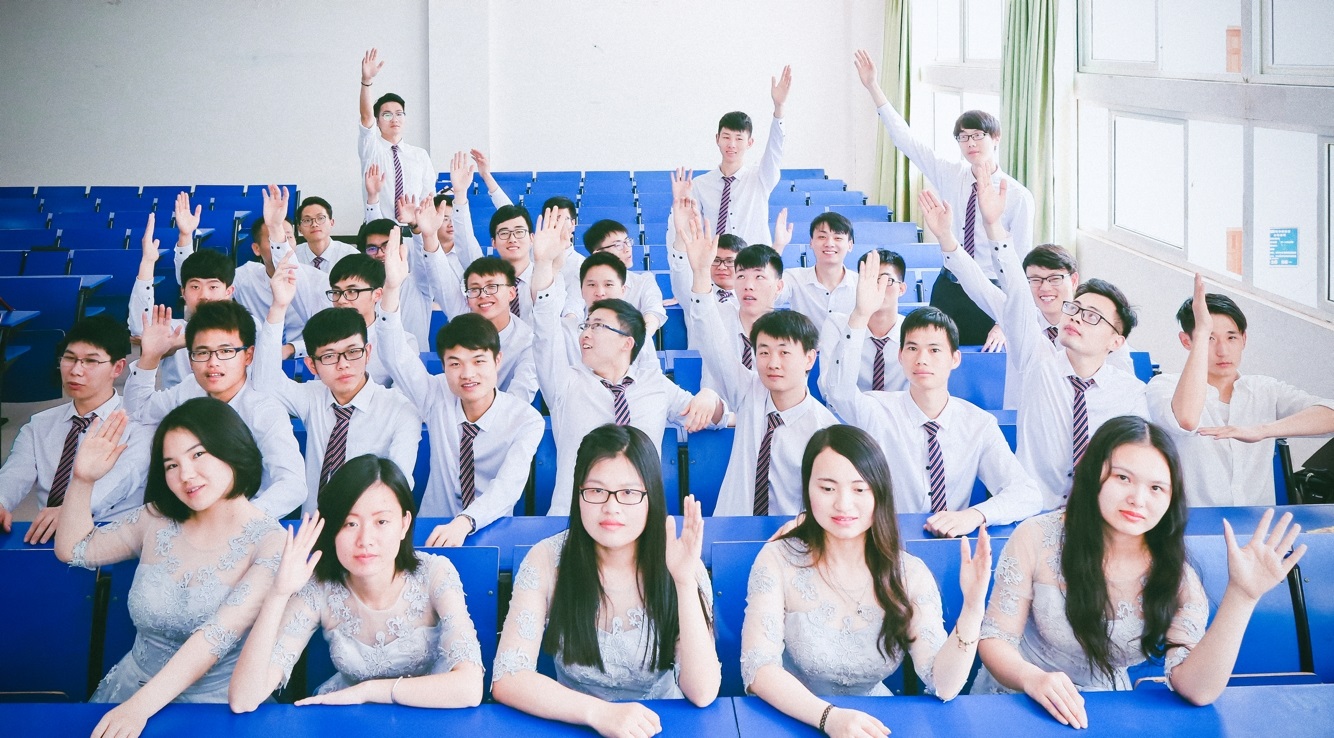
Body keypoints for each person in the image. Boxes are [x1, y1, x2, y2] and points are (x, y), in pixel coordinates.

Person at [975, 416, 1307, 728]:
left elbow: (1197, 690)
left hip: (1104, 711)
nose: (1137, 499)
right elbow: (995, 638)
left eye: (1156, 488)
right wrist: (1031, 678)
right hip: (1017, 698)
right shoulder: (1036, 537)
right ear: (1094, 475)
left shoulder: (1176, 576)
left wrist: (1242, 596)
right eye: (1123, 478)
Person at [54, 399, 286, 738]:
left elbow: (214, 638)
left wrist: (138, 709)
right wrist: (82, 479)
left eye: (198, 455)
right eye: (171, 465)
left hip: (217, 711)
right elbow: (73, 549)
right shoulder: (156, 518)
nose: (185, 475)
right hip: (129, 691)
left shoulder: (271, 543)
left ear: (232, 449)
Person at [742, 426, 991, 738]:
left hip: (874, 723)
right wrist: (829, 718)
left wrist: (972, 609)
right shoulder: (777, 559)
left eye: (860, 490)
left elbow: (943, 684)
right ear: (808, 489)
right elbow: (758, 668)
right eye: (828, 488)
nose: (843, 504)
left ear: (879, 493)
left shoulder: (909, 573)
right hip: (790, 716)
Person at [492, 424, 720, 734]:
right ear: (578, 494)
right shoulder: (546, 559)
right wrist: (599, 714)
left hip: (659, 726)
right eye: (597, 491)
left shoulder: (681, 561)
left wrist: (683, 582)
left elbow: (703, 692)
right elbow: (508, 677)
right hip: (574, 724)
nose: (611, 507)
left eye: (628, 493)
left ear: (651, 496)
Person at [228, 455, 484, 711]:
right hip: (348, 720)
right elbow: (243, 700)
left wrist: (368, 691)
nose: (365, 539)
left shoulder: (435, 573)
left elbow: (470, 688)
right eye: (350, 523)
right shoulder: (319, 587)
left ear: (404, 524)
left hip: (431, 715)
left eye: (381, 522)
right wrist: (278, 594)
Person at [824, 257, 1041, 537]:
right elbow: (838, 391)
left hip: (953, 544)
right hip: (888, 541)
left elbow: (1027, 493)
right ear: (900, 356)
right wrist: (859, 315)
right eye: (912, 348)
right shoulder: (878, 410)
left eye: (935, 350)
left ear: (955, 359)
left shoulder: (977, 424)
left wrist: (974, 515)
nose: (922, 359)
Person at [965, 176, 1147, 508]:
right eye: (1075, 310)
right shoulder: (1037, 363)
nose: (1075, 317)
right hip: (1037, 509)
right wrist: (994, 227)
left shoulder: (1131, 394)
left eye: (1092, 316)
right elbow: (1015, 292)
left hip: (1100, 513)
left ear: (1116, 341)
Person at [528, 208, 721, 515]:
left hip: (641, 519)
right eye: (586, 325)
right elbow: (544, 329)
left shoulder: (654, 384)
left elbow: (716, 417)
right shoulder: (566, 382)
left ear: (627, 342)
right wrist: (543, 263)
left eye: (598, 326)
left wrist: (711, 397)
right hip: (575, 518)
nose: (585, 334)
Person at [855, 48, 1034, 348]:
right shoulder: (952, 174)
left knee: (984, 360)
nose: (970, 143)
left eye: (977, 135)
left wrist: (1005, 321)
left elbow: (1023, 264)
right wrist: (873, 86)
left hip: (991, 292)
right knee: (934, 353)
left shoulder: (1018, 196)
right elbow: (906, 141)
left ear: (996, 138)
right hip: (949, 286)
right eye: (963, 137)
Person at [378, 228, 544, 545]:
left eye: (479, 361)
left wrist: (466, 521)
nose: (467, 374)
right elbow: (395, 356)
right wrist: (392, 288)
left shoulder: (525, 420)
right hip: (432, 528)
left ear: (497, 360)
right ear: (443, 366)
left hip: (492, 528)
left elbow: (508, 485)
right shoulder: (436, 395)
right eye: (455, 363)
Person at [681, 217, 838, 517]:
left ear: (809, 358)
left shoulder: (824, 429)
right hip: (732, 526)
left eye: (784, 353)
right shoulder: (750, 391)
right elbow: (713, 345)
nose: (772, 363)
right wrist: (700, 274)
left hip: (793, 538)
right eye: (763, 352)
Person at [918, 196, 1135, 408]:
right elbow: (978, 284)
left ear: (1074, 280)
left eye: (1054, 279)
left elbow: (1125, 392)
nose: (1045, 288)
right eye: (1035, 280)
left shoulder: (1100, 334)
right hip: (1023, 421)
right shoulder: (1020, 319)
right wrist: (946, 236)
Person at [1148, 275, 1334, 506]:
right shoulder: (1164, 386)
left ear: (1244, 339)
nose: (1223, 350)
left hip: (1259, 522)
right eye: (1210, 338)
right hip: (1191, 522)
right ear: (1187, 341)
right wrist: (1201, 330)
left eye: (1231, 337)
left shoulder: (1265, 389)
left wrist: (1264, 430)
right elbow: (1186, 420)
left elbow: (1330, 414)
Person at [252, 263, 421, 514]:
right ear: (312, 365)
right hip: (314, 526)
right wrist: (278, 307)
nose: (343, 365)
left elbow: (400, 480)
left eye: (353, 352)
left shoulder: (400, 410)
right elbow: (264, 382)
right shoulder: (313, 397)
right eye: (329, 357)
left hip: (369, 523)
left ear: (368, 353)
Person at [127, 301, 307, 518]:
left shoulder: (264, 410)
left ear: (248, 356)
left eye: (226, 351)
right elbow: (139, 411)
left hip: (247, 517)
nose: (213, 362)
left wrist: (240, 520)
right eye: (202, 352)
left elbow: (292, 484)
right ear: (190, 359)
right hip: (189, 513)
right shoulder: (190, 388)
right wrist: (150, 357)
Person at [0, 316, 150, 542]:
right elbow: (15, 474)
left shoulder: (137, 423)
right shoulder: (40, 425)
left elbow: (121, 481)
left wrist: (71, 510)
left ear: (117, 367)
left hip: (112, 538)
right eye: (69, 358)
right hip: (49, 537)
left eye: (91, 361)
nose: (76, 370)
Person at [175, 186, 329, 359]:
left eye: (288, 238)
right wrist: (185, 236)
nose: (281, 245)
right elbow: (196, 276)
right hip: (255, 357)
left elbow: (329, 333)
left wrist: (292, 348)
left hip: (306, 357)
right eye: (273, 239)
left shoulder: (319, 280)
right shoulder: (246, 276)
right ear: (256, 249)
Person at [665, 67, 792, 247]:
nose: (732, 144)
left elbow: (775, 150)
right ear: (717, 139)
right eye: (726, 137)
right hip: (716, 261)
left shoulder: (760, 178)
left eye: (739, 138)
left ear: (750, 143)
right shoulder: (700, 185)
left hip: (753, 261)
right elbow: (688, 230)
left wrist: (779, 108)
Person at [130, 202, 242, 388]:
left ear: (228, 292)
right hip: (178, 404)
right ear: (183, 292)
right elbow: (140, 328)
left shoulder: (247, 325)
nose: (204, 295)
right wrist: (148, 263)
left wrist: (182, 341)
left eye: (213, 287)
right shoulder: (173, 329)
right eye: (195, 287)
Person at [434, 255, 540, 403]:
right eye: (474, 289)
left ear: (511, 293)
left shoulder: (529, 342)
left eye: (491, 287)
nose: (483, 295)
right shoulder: (457, 332)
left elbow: (520, 395)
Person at [817, 248, 909, 397]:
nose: (878, 287)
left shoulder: (912, 331)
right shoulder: (837, 325)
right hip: (846, 411)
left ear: (902, 289)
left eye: (887, 280)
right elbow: (828, 390)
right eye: (870, 280)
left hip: (898, 410)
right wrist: (859, 317)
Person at [322, 252, 420, 386]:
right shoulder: (325, 338)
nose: (341, 300)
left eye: (352, 292)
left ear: (377, 294)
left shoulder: (403, 342)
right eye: (336, 292)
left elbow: (401, 394)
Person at [558, 252, 660, 378]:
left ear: (623, 290)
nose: (600, 293)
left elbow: (653, 380)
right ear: (581, 290)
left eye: (608, 285)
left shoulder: (637, 333)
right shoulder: (565, 332)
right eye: (592, 285)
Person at [358, 48, 436, 208]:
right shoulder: (371, 149)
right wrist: (366, 80)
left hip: (413, 224)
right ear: (377, 121)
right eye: (387, 115)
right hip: (378, 223)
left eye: (399, 114)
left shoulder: (420, 155)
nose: (394, 119)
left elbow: (428, 199)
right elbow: (366, 117)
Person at [566, 220, 667, 337]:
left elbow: (653, 312)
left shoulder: (644, 281)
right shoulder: (582, 280)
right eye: (618, 245)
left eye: (627, 241)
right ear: (598, 253)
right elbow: (572, 312)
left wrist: (637, 340)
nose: (627, 249)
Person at [776, 213, 860, 324]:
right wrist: (778, 246)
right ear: (811, 242)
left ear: (850, 245)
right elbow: (769, 294)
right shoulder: (794, 278)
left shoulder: (860, 284)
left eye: (838, 238)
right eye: (822, 237)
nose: (829, 243)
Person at [294, 196, 359, 272]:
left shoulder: (350, 255)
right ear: (299, 229)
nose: (314, 224)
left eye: (320, 218)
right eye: (307, 220)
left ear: (331, 223)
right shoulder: (293, 256)